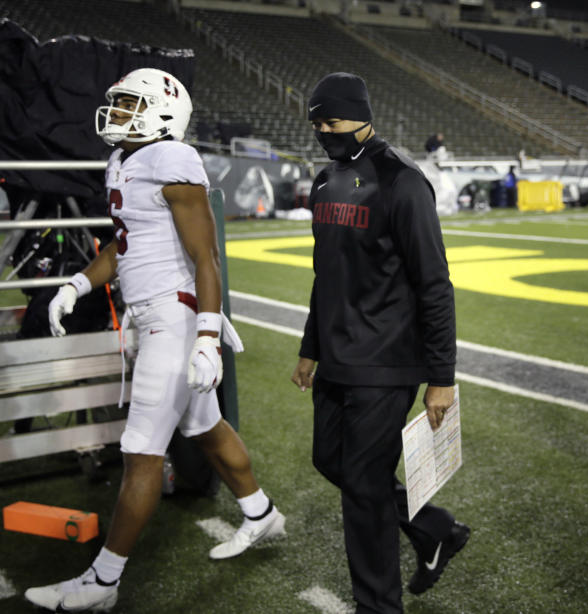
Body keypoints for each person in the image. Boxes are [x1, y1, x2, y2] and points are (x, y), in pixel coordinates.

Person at [25, 68, 285, 612]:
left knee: (141, 451)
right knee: (205, 427)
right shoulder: (123, 159)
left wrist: (207, 338)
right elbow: (126, 243)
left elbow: (206, 258)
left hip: (177, 317)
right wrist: (76, 284)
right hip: (151, 316)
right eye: (116, 103)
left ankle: (104, 581)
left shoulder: (173, 158)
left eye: (127, 105)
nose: (115, 113)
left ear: (161, 112)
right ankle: (262, 515)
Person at [290, 72, 469, 614]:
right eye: (318, 122)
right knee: (332, 461)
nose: (325, 130)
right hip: (338, 356)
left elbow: (434, 284)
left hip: (387, 361)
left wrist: (441, 377)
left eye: (334, 120)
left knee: (363, 494)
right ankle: (434, 528)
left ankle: (377, 606)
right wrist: (310, 345)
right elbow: (328, 274)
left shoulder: (402, 181)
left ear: (363, 116)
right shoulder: (326, 180)